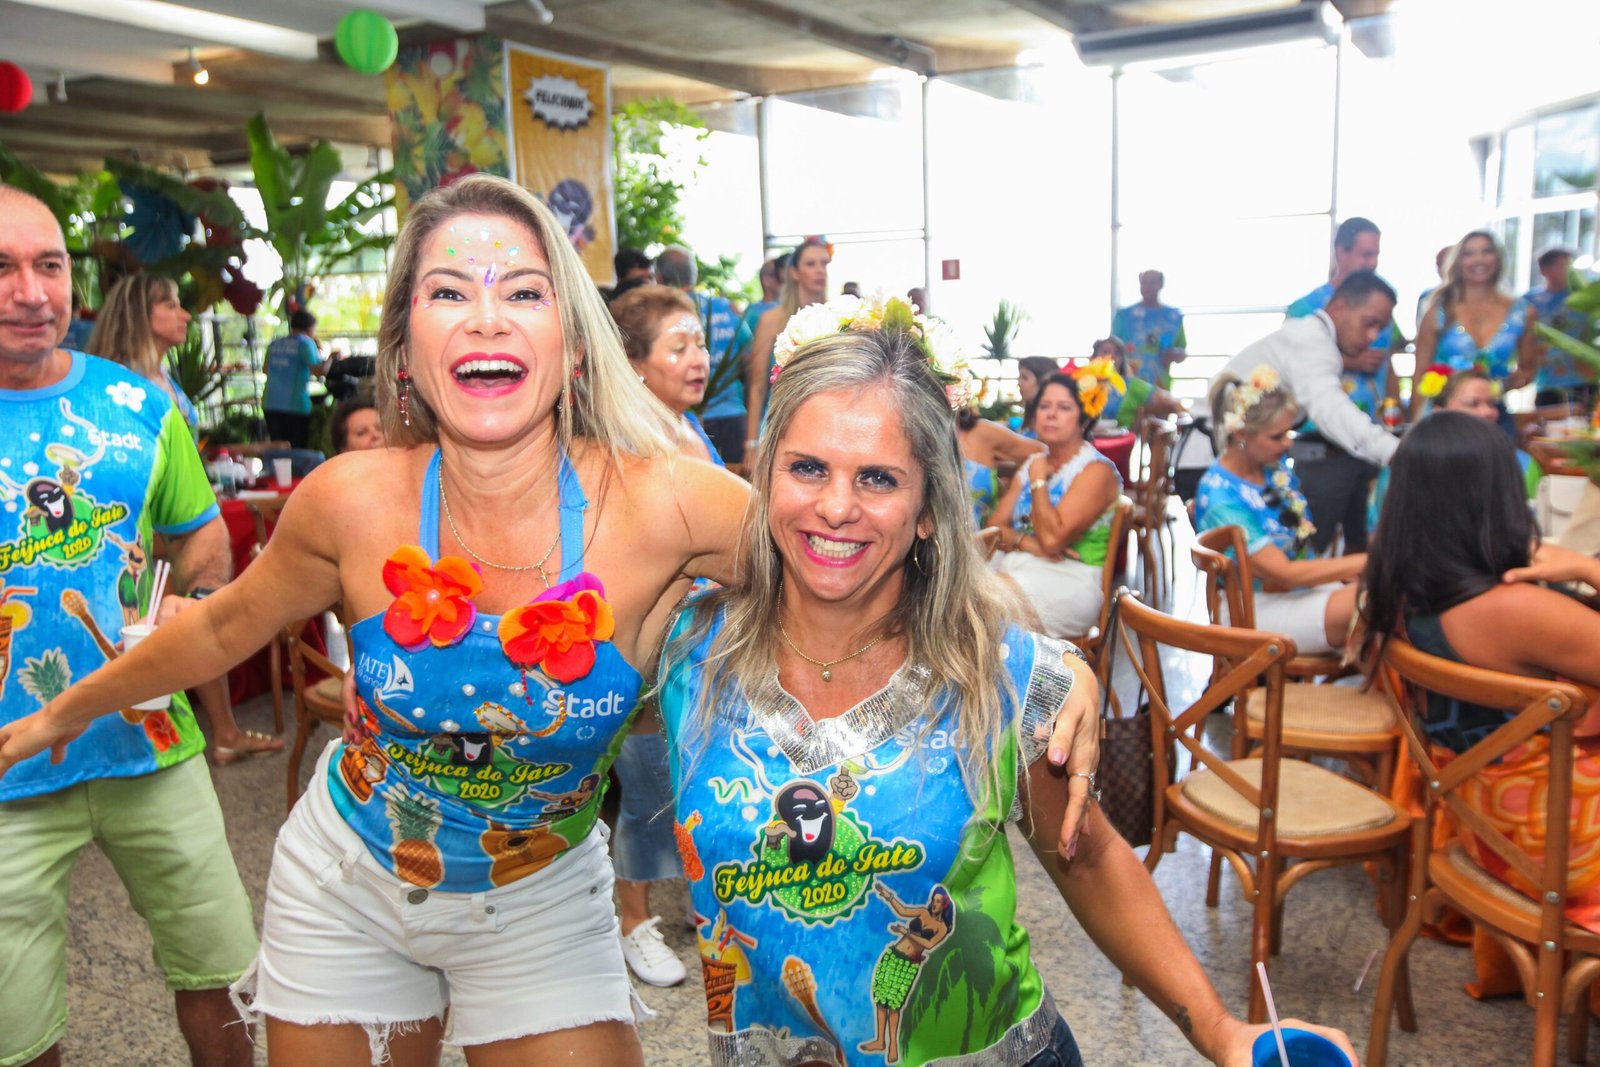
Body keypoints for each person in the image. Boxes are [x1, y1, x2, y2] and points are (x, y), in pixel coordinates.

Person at [0, 175, 752, 1067]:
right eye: (448, 292)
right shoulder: (348, 502)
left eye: (523, 292)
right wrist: (59, 713)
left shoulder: (672, 504)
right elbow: (217, 630)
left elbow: (841, 573)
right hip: (346, 885)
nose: (486, 319)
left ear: (576, 343)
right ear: (404, 350)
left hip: (541, 899)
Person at [656, 300, 1354, 1065]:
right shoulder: (687, 653)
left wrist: (1221, 1031)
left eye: (879, 477)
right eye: (808, 467)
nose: (837, 506)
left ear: (928, 510)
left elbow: (1088, 857)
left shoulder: (998, 677)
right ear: (765, 475)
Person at [0, 186, 257, 1067]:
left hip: (149, 743)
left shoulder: (137, 404)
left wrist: (195, 597)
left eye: (49, 265)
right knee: (15, 1025)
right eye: (2, 268)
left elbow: (204, 536)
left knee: (223, 970)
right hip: (7, 771)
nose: (30, 291)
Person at [1360, 411, 1600, 934]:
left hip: (1488, 830)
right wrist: (1586, 568)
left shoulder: (1401, 592)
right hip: (1564, 851)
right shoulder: (1514, 611)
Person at [86, 274, 284, 764]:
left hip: (182, 520)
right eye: (171, 305)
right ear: (142, 314)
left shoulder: (162, 376)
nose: (185, 315)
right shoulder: (118, 386)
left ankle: (223, 731)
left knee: (192, 617)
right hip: (145, 533)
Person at [605, 283, 725, 987]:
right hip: (650, 643)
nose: (698, 358)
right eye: (678, 347)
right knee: (649, 787)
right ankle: (632, 923)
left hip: (702, 642)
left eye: (699, 343)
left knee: (694, 784)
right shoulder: (631, 443)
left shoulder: (686, 425)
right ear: (635, 365)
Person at [1215, 270, 1401, 547]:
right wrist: (1395, 451)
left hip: (1237, 456)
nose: (1372, 336)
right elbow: (1330, 408)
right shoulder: (1311, 341)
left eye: (1380, 328)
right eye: (1369, 322)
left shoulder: (1312, 337)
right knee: (1283, 549)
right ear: (1339, 306)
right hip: (1217, 455)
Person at [1194, 368, 1365, 656]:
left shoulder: (1271, 470)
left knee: (1378, 604)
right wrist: (1367, 562)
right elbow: (1285, 573)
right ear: (1241, 434)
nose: (1288, 443)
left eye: (1288, 433)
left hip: (1295, 594)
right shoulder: (1222, 498)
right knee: (1369, 602)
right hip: (1250, 610)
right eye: (1277, 436)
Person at [1283, 218, 1401, 555]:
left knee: (1369, 543)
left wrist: (1396, 407)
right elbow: (1293, 367)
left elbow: (1388, 362)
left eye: (1376, 254)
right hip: (1324, 446)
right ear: (1341, 251)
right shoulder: (1305, 309)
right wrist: (1351, 362)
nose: (1372, 262)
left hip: (1373, 437)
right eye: (1365, 254)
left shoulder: (1380, 303)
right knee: (1310, 541)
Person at [987, 373, 1122, 637]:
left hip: (1072, 579)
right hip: (1021, 565)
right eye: (1044, 406)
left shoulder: (1096, 471)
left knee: (982, 601)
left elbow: (1051, 541)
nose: (1051, 415)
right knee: (956, 589)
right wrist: (1030, 544)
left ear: (1084, 419)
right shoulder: (1034, 462)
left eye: (1064, 407)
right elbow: (994, 528)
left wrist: (1039, 481)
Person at [1411, 230, 1541, 422]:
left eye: (1486, 251)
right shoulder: (1437, 311)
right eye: (1469, 253)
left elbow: (1528, 370)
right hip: (1444, 419)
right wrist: (1416, 425)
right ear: (1458, 261)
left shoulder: (1522, 312)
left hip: (1493, 415)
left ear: (1498, 258)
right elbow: (1419, 375)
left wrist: (1499, 387)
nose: (1479, 259)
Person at [655, 245, 743, 465]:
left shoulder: (664, 317)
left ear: (659, 278)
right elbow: (749, 357)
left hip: (680, 419)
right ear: (694, 275)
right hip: (733, 413)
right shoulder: (725, 308)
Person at [743, 237, 830, 450]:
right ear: (794, 273)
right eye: (811, 264)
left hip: (826, 426)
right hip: (781, 425)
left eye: (824, 264)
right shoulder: (771, 320)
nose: (820, 270)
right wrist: (752, 443)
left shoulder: (837, 318)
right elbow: (757, 386)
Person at [1526, 245, 1596, 410]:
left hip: (1585, 378)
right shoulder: (1529, 301)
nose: (1570, 271)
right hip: (1548, 382)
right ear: (1544, 270)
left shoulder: (1587, 296)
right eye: (1563, 265)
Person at [957, 407, 1044, 528]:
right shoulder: (930, 438)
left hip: (983, 537)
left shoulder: (979, 432)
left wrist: (1016, 491)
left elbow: (1044, 455)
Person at [1083, 336, 1185, 429]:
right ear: (1094, 357)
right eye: (1105, 351)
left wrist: (1180, 426)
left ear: (1122, 360)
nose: (1112, 356)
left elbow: (1174, 403)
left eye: (1117, 353)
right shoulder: (1081, 384)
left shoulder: (1133, 386)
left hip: (1122, 440)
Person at [1111, 268, 1186, 389]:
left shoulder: (1173, 317)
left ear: (1161, 285)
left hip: (1160, 385)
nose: (1147, 286)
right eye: (1144, 282)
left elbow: (1182, 350)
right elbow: (1112, 348)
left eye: (1152, 282)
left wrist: (1176, 354)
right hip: (1127, 386)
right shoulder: (1124, 315)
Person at [262, 309, 325, 449]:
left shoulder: (275, 343)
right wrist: (331, 357)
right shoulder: (306, 343)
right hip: (295, 405)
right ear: (310, 328)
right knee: (296, 449)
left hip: (270, 402)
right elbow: (318, 371)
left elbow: (265, 370)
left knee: (278, 448)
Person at [1013, 355, 1061, 437]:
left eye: (1025, 378)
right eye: (1019, 377)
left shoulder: (1055, 424)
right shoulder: (1028, 422)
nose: (1019, 383)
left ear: (1043, 381)